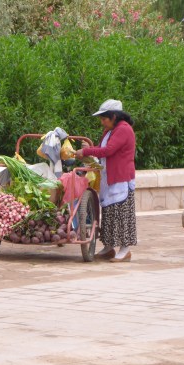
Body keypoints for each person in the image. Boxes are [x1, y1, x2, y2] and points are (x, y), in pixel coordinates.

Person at [75, 99, 137, 262]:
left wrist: (86, 150)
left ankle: (125, 250)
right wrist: (89, 151)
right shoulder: (110, 130)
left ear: (114, 116)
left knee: (121, 214)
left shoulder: (123, 130)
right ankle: (109, 247)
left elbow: (108, 150)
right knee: (109, 213)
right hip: (110, 177)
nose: (102, 122)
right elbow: (103, 149)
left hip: (121, 177)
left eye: (104, 118)